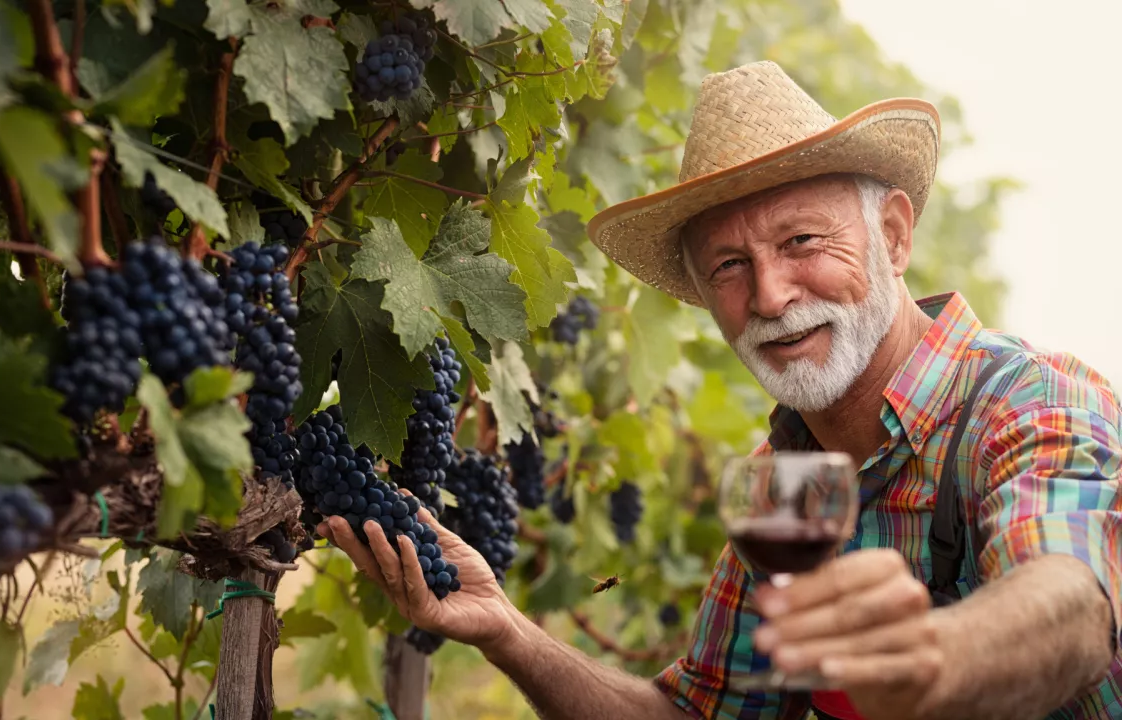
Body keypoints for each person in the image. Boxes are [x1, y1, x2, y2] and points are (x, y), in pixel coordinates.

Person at [318, 61, 1122, 719]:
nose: (769, 296)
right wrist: (507, 631)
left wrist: (931, 660)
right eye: (730, 267)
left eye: (801, 240)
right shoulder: (786, 484)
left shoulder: (1031, 400)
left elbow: (1075, 605)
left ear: (893, 235)